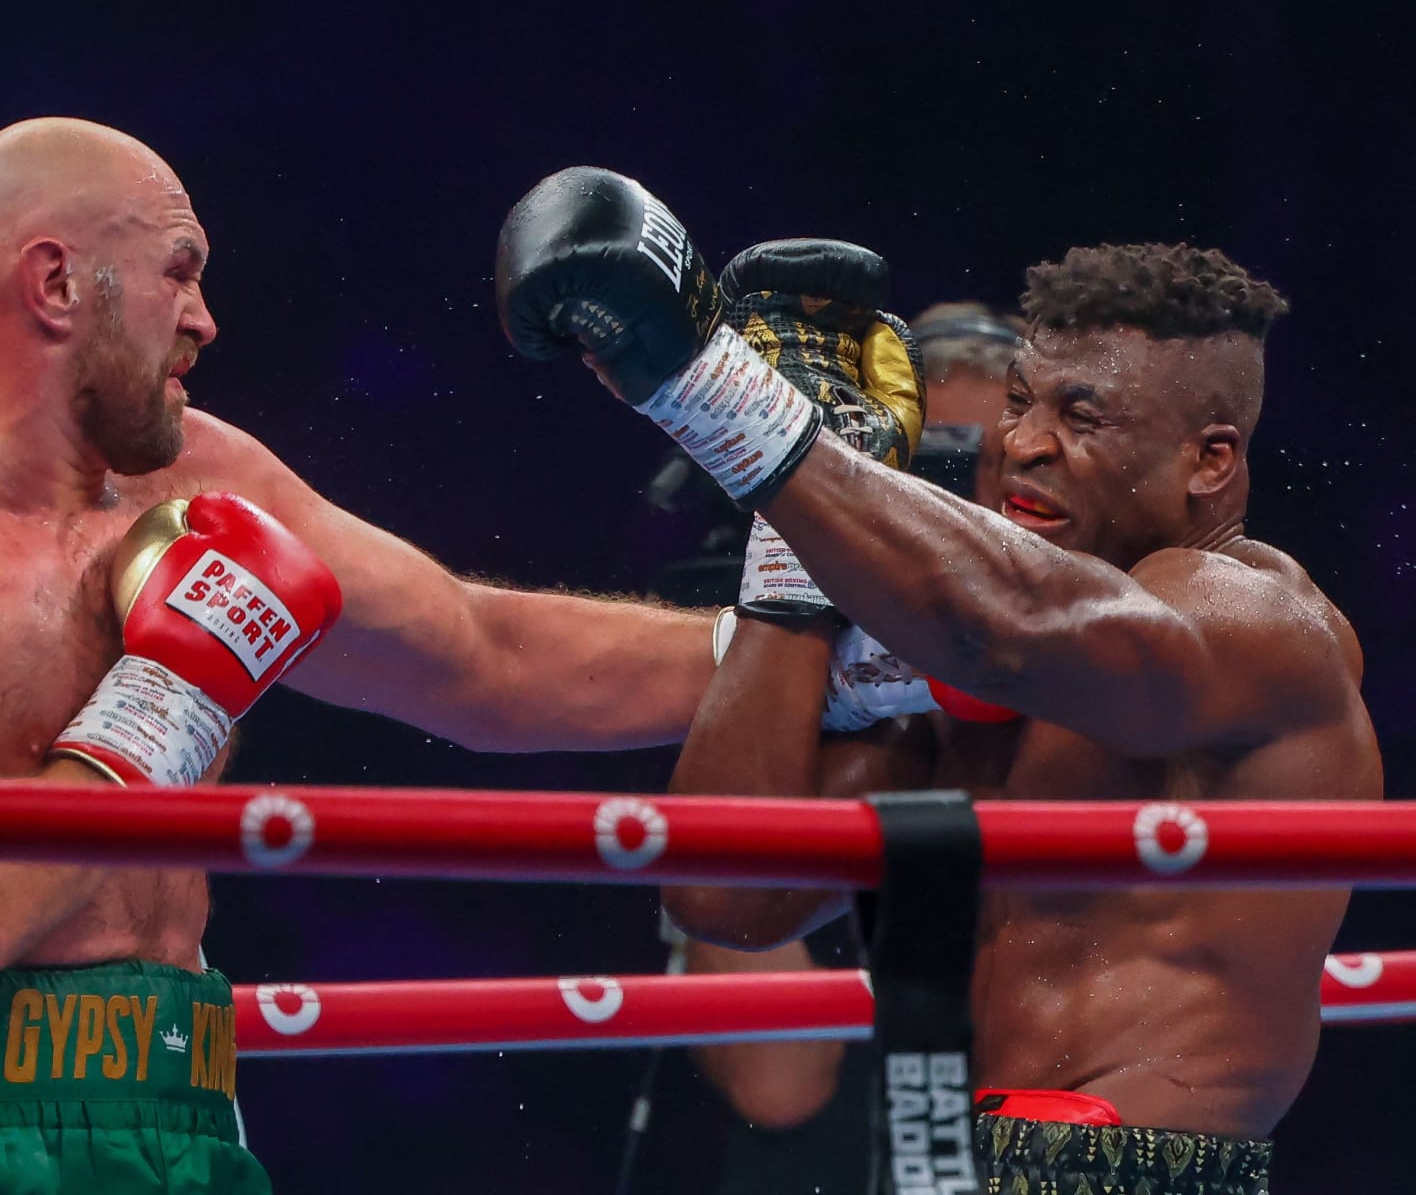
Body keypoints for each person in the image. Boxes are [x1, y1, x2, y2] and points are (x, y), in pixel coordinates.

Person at [0, 123, 719, 1194]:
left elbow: (484, 655)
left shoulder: (200, 481)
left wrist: (797, 646)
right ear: (57, 284)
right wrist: (170, 698)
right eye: (178, 273)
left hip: (169, 1102)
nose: (204, 319)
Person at [496, 167, 1382, 1193]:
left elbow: (1017, 626)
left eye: (1083, 416)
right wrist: (788, 562)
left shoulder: (1256, 620)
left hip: (1128, 1168)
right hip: (945, 1166)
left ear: (1208, 461)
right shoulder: (975, 676)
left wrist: (720, 396)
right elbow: (729, 895)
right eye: (1021, 402)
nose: (1024, 444)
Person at [680, 303, 1024, 1195]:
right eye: (916, 472)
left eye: (980, 469)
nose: (951, 510)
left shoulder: (1087, 676)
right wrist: (790, 576)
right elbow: (779, 1082)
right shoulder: (790, 691)